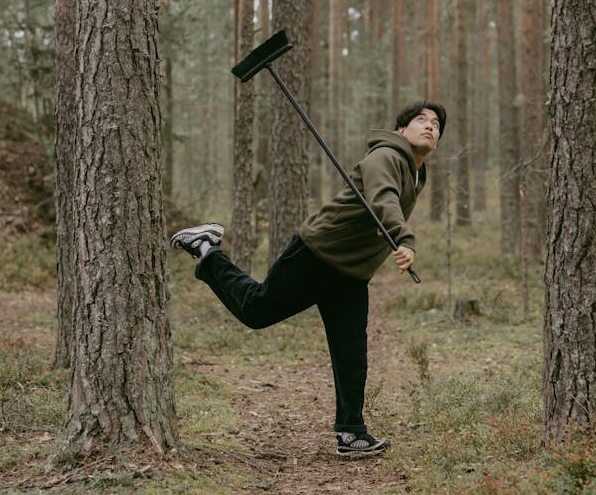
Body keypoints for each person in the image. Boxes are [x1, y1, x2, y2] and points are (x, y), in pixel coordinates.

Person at [170, 101, 446, 456]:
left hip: (351, 273)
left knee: (351, 353)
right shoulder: (386, 157)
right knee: (256, 310)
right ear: (400, 131)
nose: (429, 126)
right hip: (318, 254)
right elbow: (384, 200)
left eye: (436, 124)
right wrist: (405, 239)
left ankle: (351, 432)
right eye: (421, 120)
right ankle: (209, 249)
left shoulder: (417, 173)